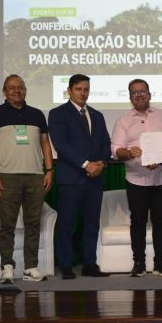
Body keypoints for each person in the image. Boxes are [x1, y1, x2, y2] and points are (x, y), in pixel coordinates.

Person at [0, 74, 53, 283]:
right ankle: (7, 267)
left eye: (20, 87)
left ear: (25, 90)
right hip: (6, 177)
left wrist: (49, 170)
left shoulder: (37, 114)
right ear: (4, 91)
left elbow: (46, 144)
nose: (17, 90)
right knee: (8, 225)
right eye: (11, 87)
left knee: (33, 223)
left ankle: (30, 267)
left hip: (35, 177)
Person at [48, 74, 111, 279]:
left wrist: (101, 163)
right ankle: (65, 265)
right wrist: (86, 164)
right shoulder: (58, 114)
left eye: (86, 89)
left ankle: (89, 264)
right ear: (69, 90)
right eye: (78, 89)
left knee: (92, 224)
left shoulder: (97, 115)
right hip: (71, 179)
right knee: (66, 224)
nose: (83, 93)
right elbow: (61, 145)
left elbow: (105, 144)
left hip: (95, 179)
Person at [111, 78, 162, 277]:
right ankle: (138, 262)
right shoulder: (123, 120)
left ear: (149, 94)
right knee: (137, 222)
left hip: (161, 178)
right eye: (134, 93)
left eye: (142, 92)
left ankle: (160, 262)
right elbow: (115, 150)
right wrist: (129, 153)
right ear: (130, 97)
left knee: (160, 221)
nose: (139, 95)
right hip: (136, 180)